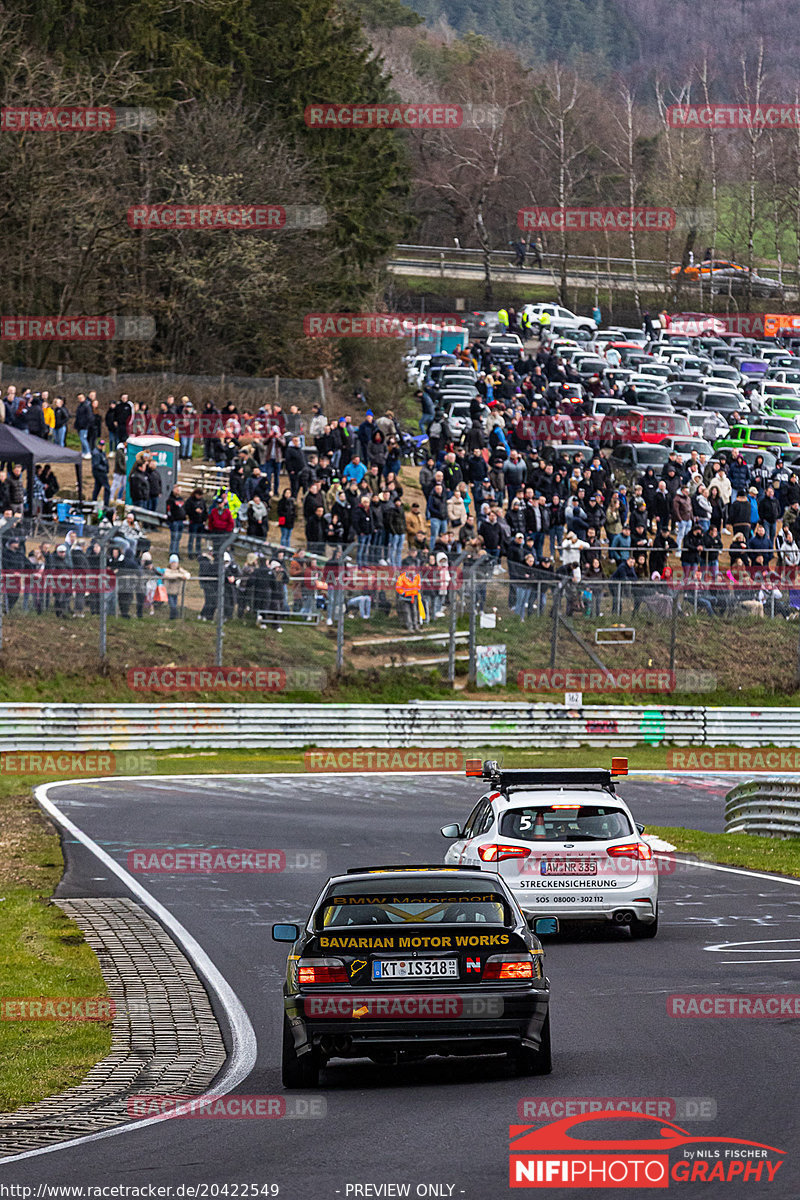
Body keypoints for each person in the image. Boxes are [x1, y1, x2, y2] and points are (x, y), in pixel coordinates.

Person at [91, 440, 110, 507]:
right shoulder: (96, 453)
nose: (102, 447)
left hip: (101, 472)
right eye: (101, 445)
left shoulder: (102, 452)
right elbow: (96, 465)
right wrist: (104, 469)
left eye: (103, 445)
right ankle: (106, 504)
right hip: (100, 473)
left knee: (97, 487)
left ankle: (93, 501)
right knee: (107, 488)